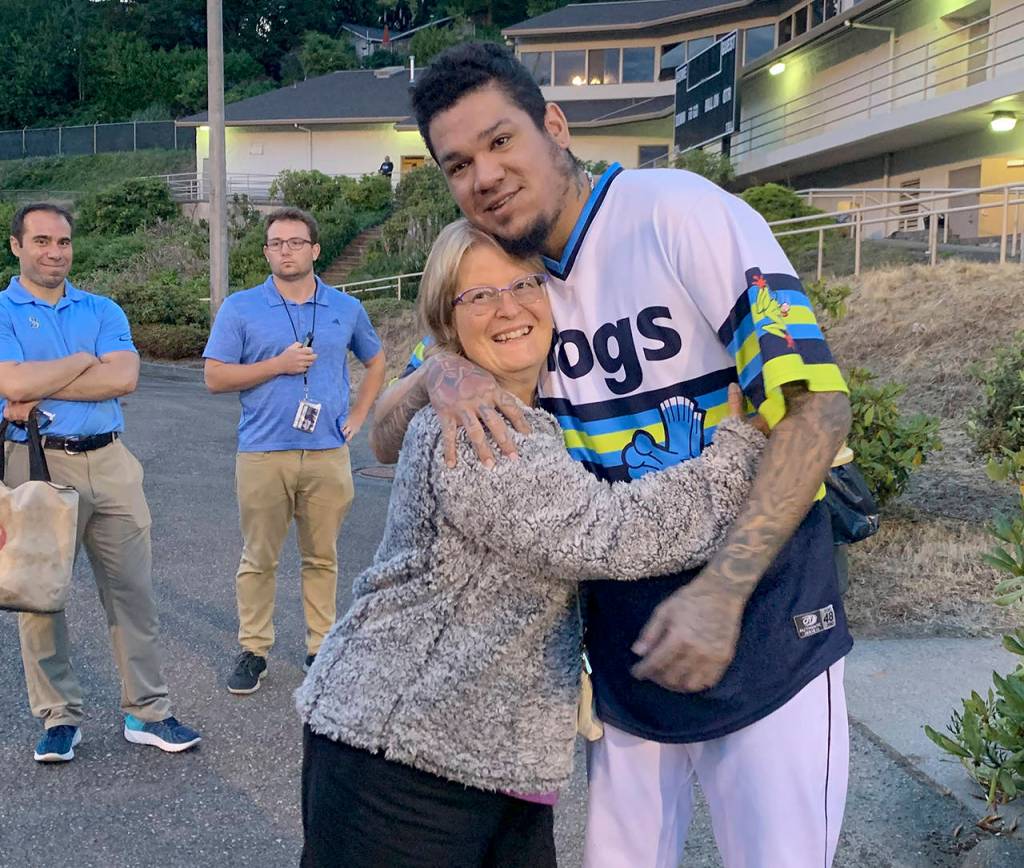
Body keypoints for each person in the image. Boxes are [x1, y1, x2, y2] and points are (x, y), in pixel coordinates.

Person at [370, 43, 854, 867]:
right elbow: (384, 434)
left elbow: (817, 406)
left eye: (500, 142)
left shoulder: (678, 211)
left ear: (554, 126)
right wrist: (439, 371)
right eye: (457, 164)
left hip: (765, 614)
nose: (483, 176)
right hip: (624, 642)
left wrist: (721, 593)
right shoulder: (508, 278)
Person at [296, 218, 767, 868]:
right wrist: (745, 451)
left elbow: (386, 429)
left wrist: (436, 372)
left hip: (497, 760)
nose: (509, 306)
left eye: (525, 284)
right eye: (479, 295)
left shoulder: (528, 401)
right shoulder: (476, 433)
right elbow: (609, 534)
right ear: (448, 320)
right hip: (401, 757)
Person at [0, 203, 201, 763]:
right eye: (41, 241)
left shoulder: (102, 307)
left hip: (112, 462)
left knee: (132, 593)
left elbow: (127, 377)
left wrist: (42, 386)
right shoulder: (3, 312)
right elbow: (8, 380)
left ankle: (148, 710)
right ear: (17, 246)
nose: (54, 252)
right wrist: (85, 363)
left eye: (62, 242)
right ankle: (58, 718)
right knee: (38, 597)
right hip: (36, 465)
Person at [204, 207, 385, 695]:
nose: (286, 250)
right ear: (266, 251)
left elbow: (376, 360)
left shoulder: (345, 308)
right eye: (277, 243)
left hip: (328, 452)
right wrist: (277, 365)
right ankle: (254, 649)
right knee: (258, 557)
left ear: (315, 249)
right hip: (263, 452)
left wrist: (358, 416)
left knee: (321, 557)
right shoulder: (240, 308)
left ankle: (320, 647)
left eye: (295, 242)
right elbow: (216, 377)